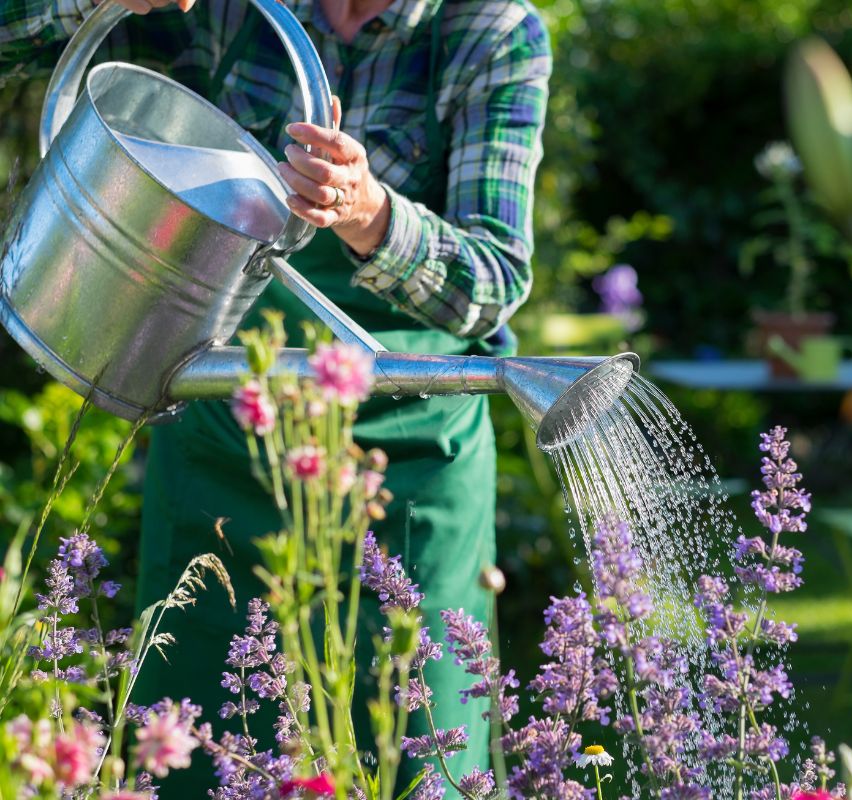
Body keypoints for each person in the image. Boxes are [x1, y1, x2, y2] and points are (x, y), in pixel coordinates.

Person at [0, 0, 550, 792]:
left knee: (408, 750)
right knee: (197, 751)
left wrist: (370, 214)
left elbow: (493, 282)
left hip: (409, 458)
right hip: (225, 427)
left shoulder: (489, 30)